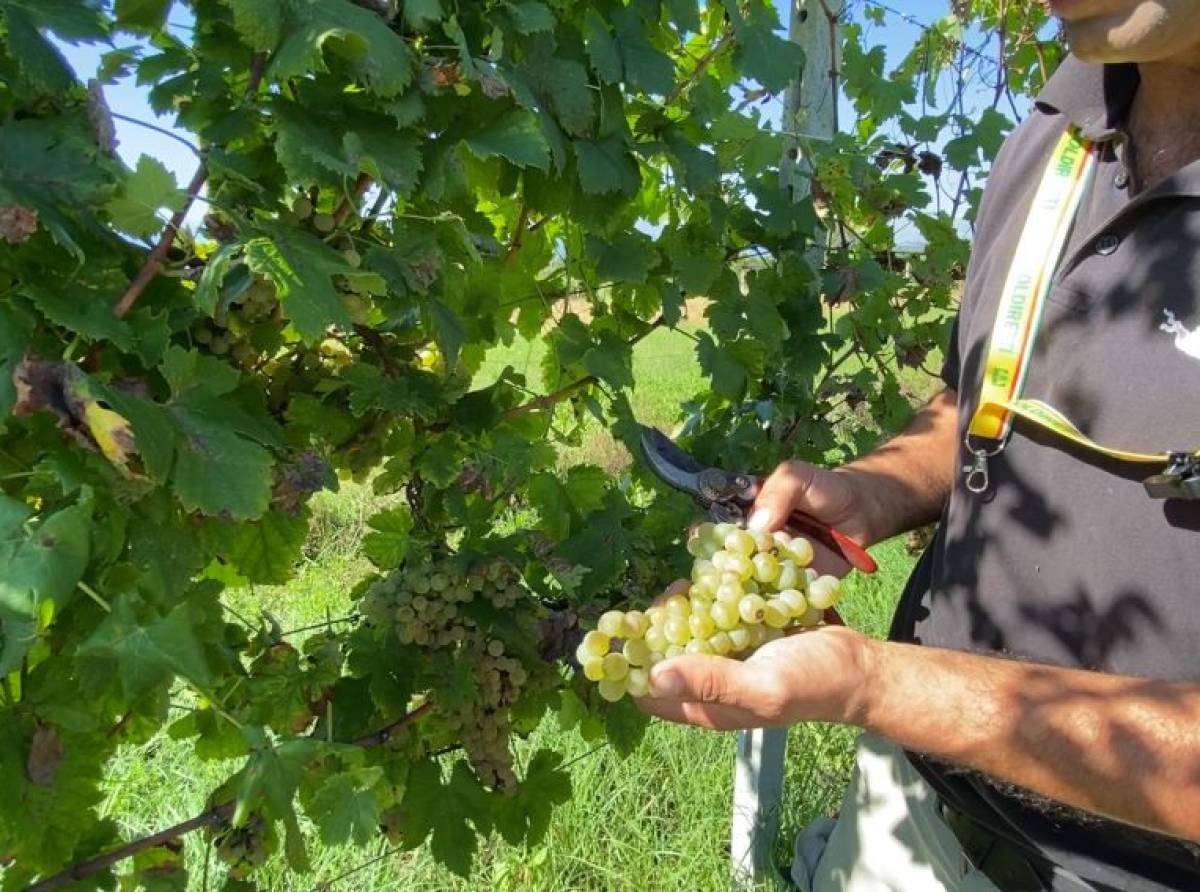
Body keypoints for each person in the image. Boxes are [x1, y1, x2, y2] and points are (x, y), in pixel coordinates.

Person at [637, 2, 1200, 890]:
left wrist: (873, 683)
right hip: (923, 809)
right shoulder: (1057, 134)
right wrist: (873, 488)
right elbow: (981, 395)